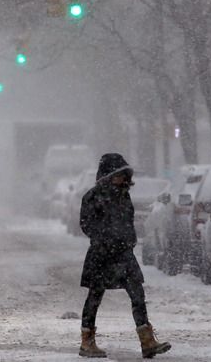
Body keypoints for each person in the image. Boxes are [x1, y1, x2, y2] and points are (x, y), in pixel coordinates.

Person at [78, 153, 171, 359]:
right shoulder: (93, 197)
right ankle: (87, 341)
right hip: (101, 254)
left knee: (137, 294)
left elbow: (127, 221)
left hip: (123, 253)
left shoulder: (123, 196)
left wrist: (129, 239)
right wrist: (105, 238)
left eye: (124, 175)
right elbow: (87, 225)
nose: (122, 179)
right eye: (118, 175)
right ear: (108, 175)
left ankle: (147, 341)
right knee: (95, 295)